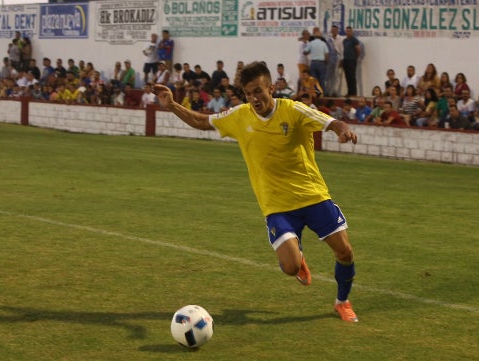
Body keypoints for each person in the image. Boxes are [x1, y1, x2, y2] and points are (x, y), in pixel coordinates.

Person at [154, 61, 359, 322]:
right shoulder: (240, 116)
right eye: (248, 93)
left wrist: (344, 131)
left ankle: (342, 301)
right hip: (277, 207)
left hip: (313, 197)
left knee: (345, 252)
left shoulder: (294, 111)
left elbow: (332, 123)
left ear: (271, 88)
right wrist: (172, 105)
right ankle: (298, 257)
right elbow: (202, 121)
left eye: (258, 91)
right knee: (290, 267)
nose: (254, 98)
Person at [303, 27, 329, 93]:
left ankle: (315, 93)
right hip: (321, 63)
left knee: (314, 80)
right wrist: (326, 62)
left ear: (314, 36)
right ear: (320, 37)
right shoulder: (323, 43)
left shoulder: (311, 43)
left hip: (313, 63)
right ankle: (323, 94)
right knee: (322, 80)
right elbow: (326, 54)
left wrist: (310, 52)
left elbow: (305, 52)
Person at [325, 25, 343, 96]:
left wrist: (342, 60)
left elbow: (342, 50)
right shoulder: (329, 39)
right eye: (332, 30)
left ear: (337, 30)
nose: (333, 31)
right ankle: (329, 92)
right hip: (330, 58)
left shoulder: (341, 39)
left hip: (338, 58)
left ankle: (336, 92)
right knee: (329, 76)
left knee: (337, 76)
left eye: (335, 30)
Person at [341, 26, 360, 96]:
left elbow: (358, 50)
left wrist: (355, 58)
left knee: (352, 77)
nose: (348, 32)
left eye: (349, 31)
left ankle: (354, 93)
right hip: (345, 60)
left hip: (352, 60)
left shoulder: (354, 40)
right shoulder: (344, 41)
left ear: (352, 32)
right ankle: (349, 92)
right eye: (347, 31)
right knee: (347, 76)